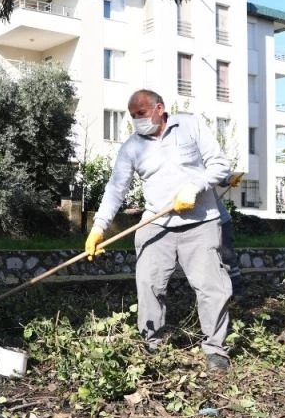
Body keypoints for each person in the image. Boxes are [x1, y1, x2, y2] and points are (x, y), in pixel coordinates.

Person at [85, 89, 233, 372]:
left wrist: (194, 186)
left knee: (211, 288)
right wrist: (98, 228)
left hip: (201, 223)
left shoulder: (190, 125)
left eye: (141, 113)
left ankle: (216, 350)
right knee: (149, 286)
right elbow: (116, 189)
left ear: (159, 108)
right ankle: (151, 347)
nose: (136, 120)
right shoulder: (131, 147)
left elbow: (220, 165)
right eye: (132, 116)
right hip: (155, 223)